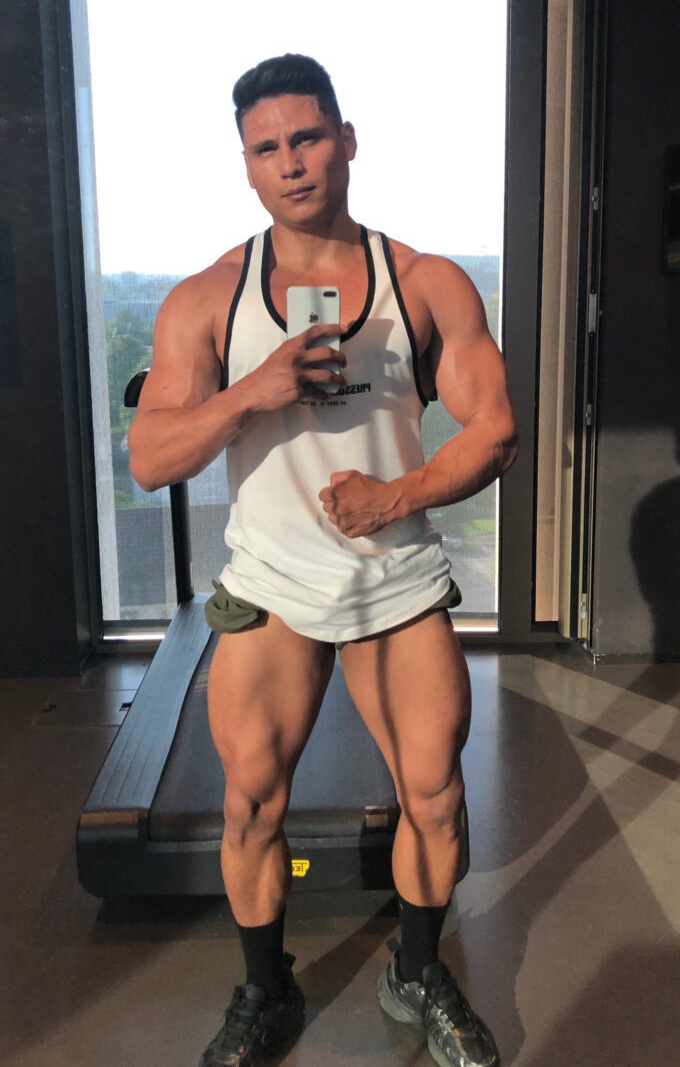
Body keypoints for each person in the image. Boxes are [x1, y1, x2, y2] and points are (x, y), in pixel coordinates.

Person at [128, 53, 519, 1067]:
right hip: (271, 583)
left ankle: (416, 971)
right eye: (267, 148)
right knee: (251, 802)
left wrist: (396, 496)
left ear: (345, 141)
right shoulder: (207, 299)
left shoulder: (423, 283)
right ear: (247, 167)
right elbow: (150, 458)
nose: (291, 162)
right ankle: (265, 991)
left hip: (395, 577)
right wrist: (249, 392)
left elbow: (494, 430)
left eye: (306, 138)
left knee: (434, 794)